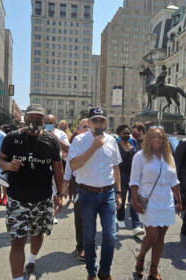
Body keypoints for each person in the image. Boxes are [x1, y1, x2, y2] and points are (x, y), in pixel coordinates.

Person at [0, 104, 64, 280]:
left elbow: (58, 169)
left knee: (37, 233)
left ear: (43, 119)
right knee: (17, 241)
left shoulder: (51, 140)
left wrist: (60, 194)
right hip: (17, 199)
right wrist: (8, 165)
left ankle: (32, 259)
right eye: (31, 117)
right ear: (25, 118)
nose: (34, 121)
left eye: (38, 118)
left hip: (42, 199)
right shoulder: (12, 138)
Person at [68, 107, 122, 280]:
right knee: (89, 237)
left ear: (105, 122)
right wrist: (93, 147)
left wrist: (119, 192)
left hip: (108, 194)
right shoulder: (79, 140)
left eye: (102, 120)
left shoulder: (112, 141)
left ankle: (105, 271)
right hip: (87, 194)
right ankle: (91, 271)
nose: (99, 123)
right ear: (89, 122)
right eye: (95, 120)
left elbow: (116, 168)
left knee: (110, 236)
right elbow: (74, 165)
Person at [130, 127, 182, 279]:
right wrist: (134, 201)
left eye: (160, 137)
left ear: (164, 139)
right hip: (148, 200)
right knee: (152, 235)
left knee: (161, 238)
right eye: (154, 137)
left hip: (166, 201)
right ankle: (140, 258)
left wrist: (179, 199)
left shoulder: (169, 157)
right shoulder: (140, 156)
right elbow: (133, 182)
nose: (157, 140)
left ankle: (153, 269)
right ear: (148, 139)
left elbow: (174, 181)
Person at [63, 118, 89, 261]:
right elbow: (68, 166)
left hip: (98, 187)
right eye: (84, 127)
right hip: (79, 185)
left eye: (89, 126)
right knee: (80, 217)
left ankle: (89, 244)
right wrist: (65, 185)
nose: (87, 129)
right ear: (78, 129)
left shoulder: (102, 141)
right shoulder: (76, 142)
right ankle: (81, 246)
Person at [115, 124, 144, 236]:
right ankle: (120, 217)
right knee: (121, 199)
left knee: (134, 200)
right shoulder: (116, 145)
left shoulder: (134, 143)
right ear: (119, 134)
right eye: (124, 133)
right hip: (121, 176)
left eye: (128, 133)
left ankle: (136, 225)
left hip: (133, 176)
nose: (127, 135)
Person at [0, 124, 12, 206]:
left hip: (5, 162)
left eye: (6, 128)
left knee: (3, 181)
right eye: (3, 128)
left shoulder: (8, 137)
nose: (5, 129)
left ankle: (5, 197)